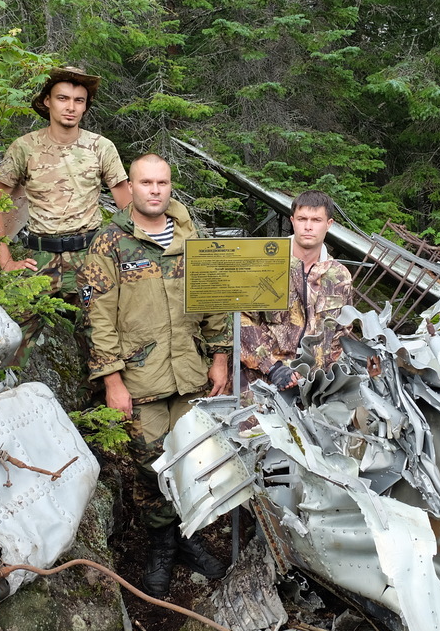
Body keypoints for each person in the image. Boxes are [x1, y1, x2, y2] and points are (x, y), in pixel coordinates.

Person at [79, 153, 231, 597]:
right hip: (140, 379)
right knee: (151, 468)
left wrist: (219, 356)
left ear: (170, 186)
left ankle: (189, 537)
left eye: (162, 183)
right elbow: (97, 316)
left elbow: (214, 297)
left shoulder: (191, 236)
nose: (155, 190)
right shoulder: (110, 242)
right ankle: (162, 545)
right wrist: (111, 380)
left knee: (191, 459)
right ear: (131, 185)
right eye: (146, 182)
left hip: (189, 371)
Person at [0, 65, 132, 295]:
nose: (71, 107)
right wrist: (6, 261)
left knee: (98, 329)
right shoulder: (24, 147)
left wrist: (123, 254)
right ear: (47, 101)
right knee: (16, 327)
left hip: (90, 258)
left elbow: (127, 207)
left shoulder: (101, 147)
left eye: (79, 100)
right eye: (62, 98)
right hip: (39, 259)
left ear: (85, 106)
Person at [240, 190, 354, 385]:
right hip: (262, 381)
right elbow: (243, 321)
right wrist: (273, 367)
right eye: (302, 219)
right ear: (292, 220)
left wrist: (327, 375)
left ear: (329, 224)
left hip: (315, 385)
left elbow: (342, 332)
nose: (308, 227)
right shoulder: (265, 265)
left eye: (316, 220)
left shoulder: (339, 276)